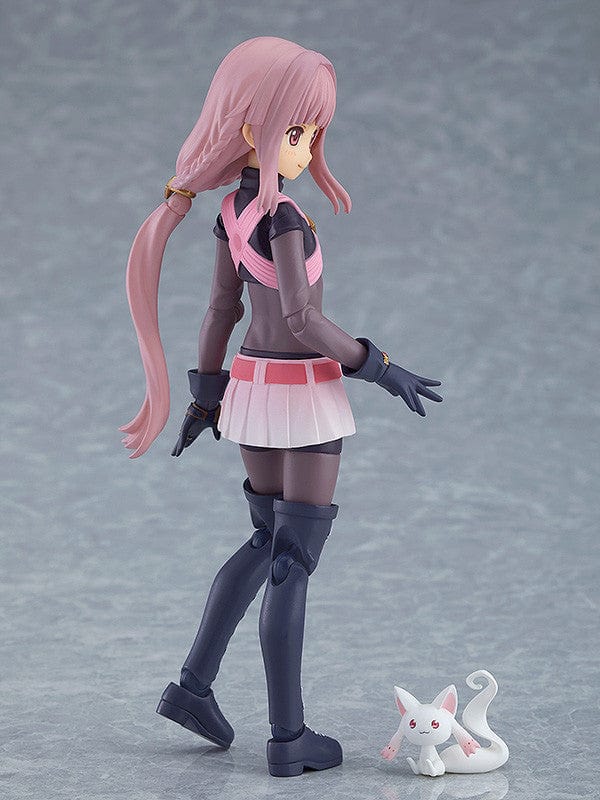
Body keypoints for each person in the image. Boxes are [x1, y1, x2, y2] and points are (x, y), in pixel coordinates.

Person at [121, 36, 442, 777]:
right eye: (295, 131)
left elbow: (221, 309)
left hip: (252, 389)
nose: (305, 148)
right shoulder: (284, 217)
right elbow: (301, 318)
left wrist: (208, 392)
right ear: (249, 129)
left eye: (311, 134)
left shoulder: (231, 211)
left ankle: (192, 687)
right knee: (292, 559)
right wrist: (378, 365)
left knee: (265, 541)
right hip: (303, 392)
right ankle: (288, 736)